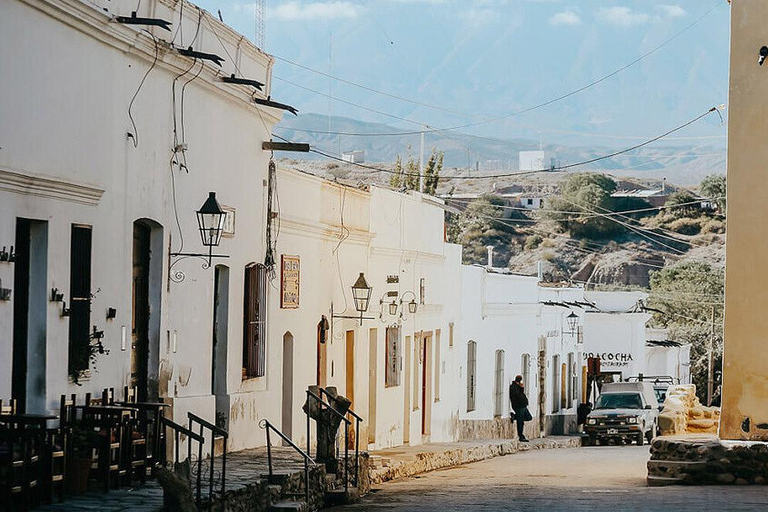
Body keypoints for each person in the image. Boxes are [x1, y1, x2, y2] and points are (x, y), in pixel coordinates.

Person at [509, 375, 530, 442]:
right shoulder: (513, 387)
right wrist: (521, 388)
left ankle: (515, 416)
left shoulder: (517, 387)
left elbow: (520, 394)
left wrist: (521, 388)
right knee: (520, 422)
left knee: (529, 417)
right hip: (519, 406)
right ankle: (521, 436)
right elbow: (518, 396)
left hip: (523, 406)